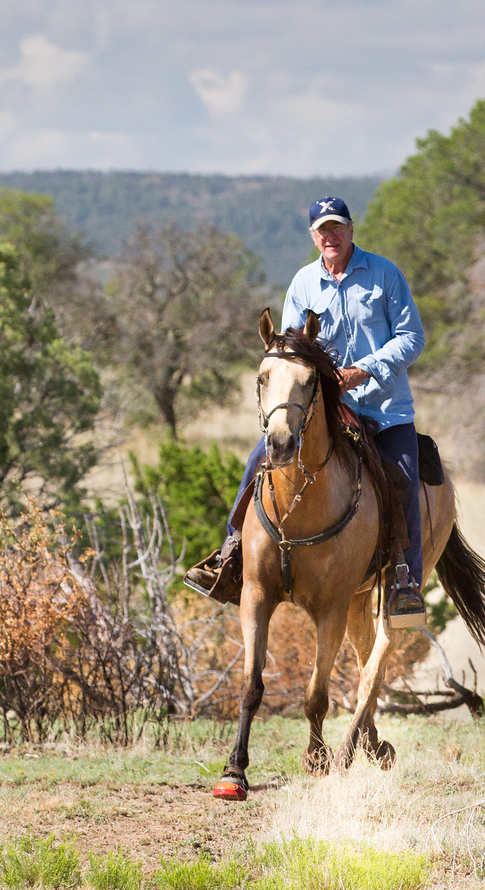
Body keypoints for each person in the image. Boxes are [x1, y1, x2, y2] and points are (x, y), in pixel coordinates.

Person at [184, 196, 427, 625]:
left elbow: (411, 337)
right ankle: (230, 556)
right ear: (314, 237)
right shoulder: (302, 284)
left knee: (405, 477)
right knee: (258, 460)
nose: (330, 236)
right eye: (323, 230)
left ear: (352, 230)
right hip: (324, 411)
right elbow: (294, 351)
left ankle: (404, 583)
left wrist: (364, 369)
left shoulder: (385, 275)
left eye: (337, 227)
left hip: (384, 408)